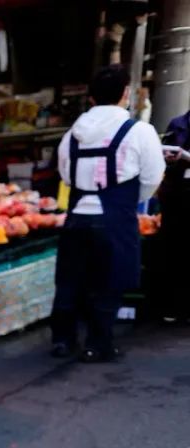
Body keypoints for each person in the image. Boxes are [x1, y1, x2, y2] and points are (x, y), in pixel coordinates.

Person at [51, 65, 165, 362]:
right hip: (115, 218)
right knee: (108, 281)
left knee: (70, 279)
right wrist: (129, 201)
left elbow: (65, 175)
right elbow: (153, 176)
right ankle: (97, 344)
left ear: (90, 98)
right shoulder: (139, 131)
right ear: (126, 94)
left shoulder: (71, 136)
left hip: (76, 216)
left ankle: (62, 340)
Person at [156, 109, 190, 323]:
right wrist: (167, 157)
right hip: (176, 191)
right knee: (173, 247)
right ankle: (171, 306)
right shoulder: (177, 123)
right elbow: (163, 154)